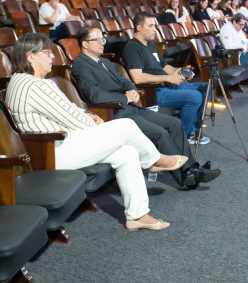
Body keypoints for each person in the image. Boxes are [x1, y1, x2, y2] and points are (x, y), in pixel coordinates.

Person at [7, 33, 184, 231]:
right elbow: (72, 119)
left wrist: (89, 115)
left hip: (58, 145)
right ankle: (154, 159)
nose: (53, 57)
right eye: (47, 53)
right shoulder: (33, 85)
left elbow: (68, 110)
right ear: (30, 56)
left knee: (127, 153)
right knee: (125, 126)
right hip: (55, 151)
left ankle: (138, 215)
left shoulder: (23, 81)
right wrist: (96, 124)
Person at [71, 26, 221, 187]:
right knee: (160, 133)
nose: (103, 43)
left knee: (175, 123)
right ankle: (185, 175)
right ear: (85, 44)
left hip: (130, 108)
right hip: (114, 113)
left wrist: (133, 91)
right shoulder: (81, 65)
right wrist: (125, 98)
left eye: (103, 39)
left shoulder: (104, 61)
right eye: (98, 39)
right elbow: (94, 96)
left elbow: (124, 81)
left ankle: (192, 168)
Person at [122, 13, 210, 140]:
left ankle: (194, 128)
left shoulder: (150, 44)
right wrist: (168, 78)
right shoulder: (132, 48)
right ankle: (184, 135)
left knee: (206, 88)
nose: (155, 29)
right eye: (151, 26)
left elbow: (164, 66)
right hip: (153, 91)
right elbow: (137, 77)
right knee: (195, 96)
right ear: (139, 28)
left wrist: (180, 71)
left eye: (155, 26)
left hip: (167, 85)